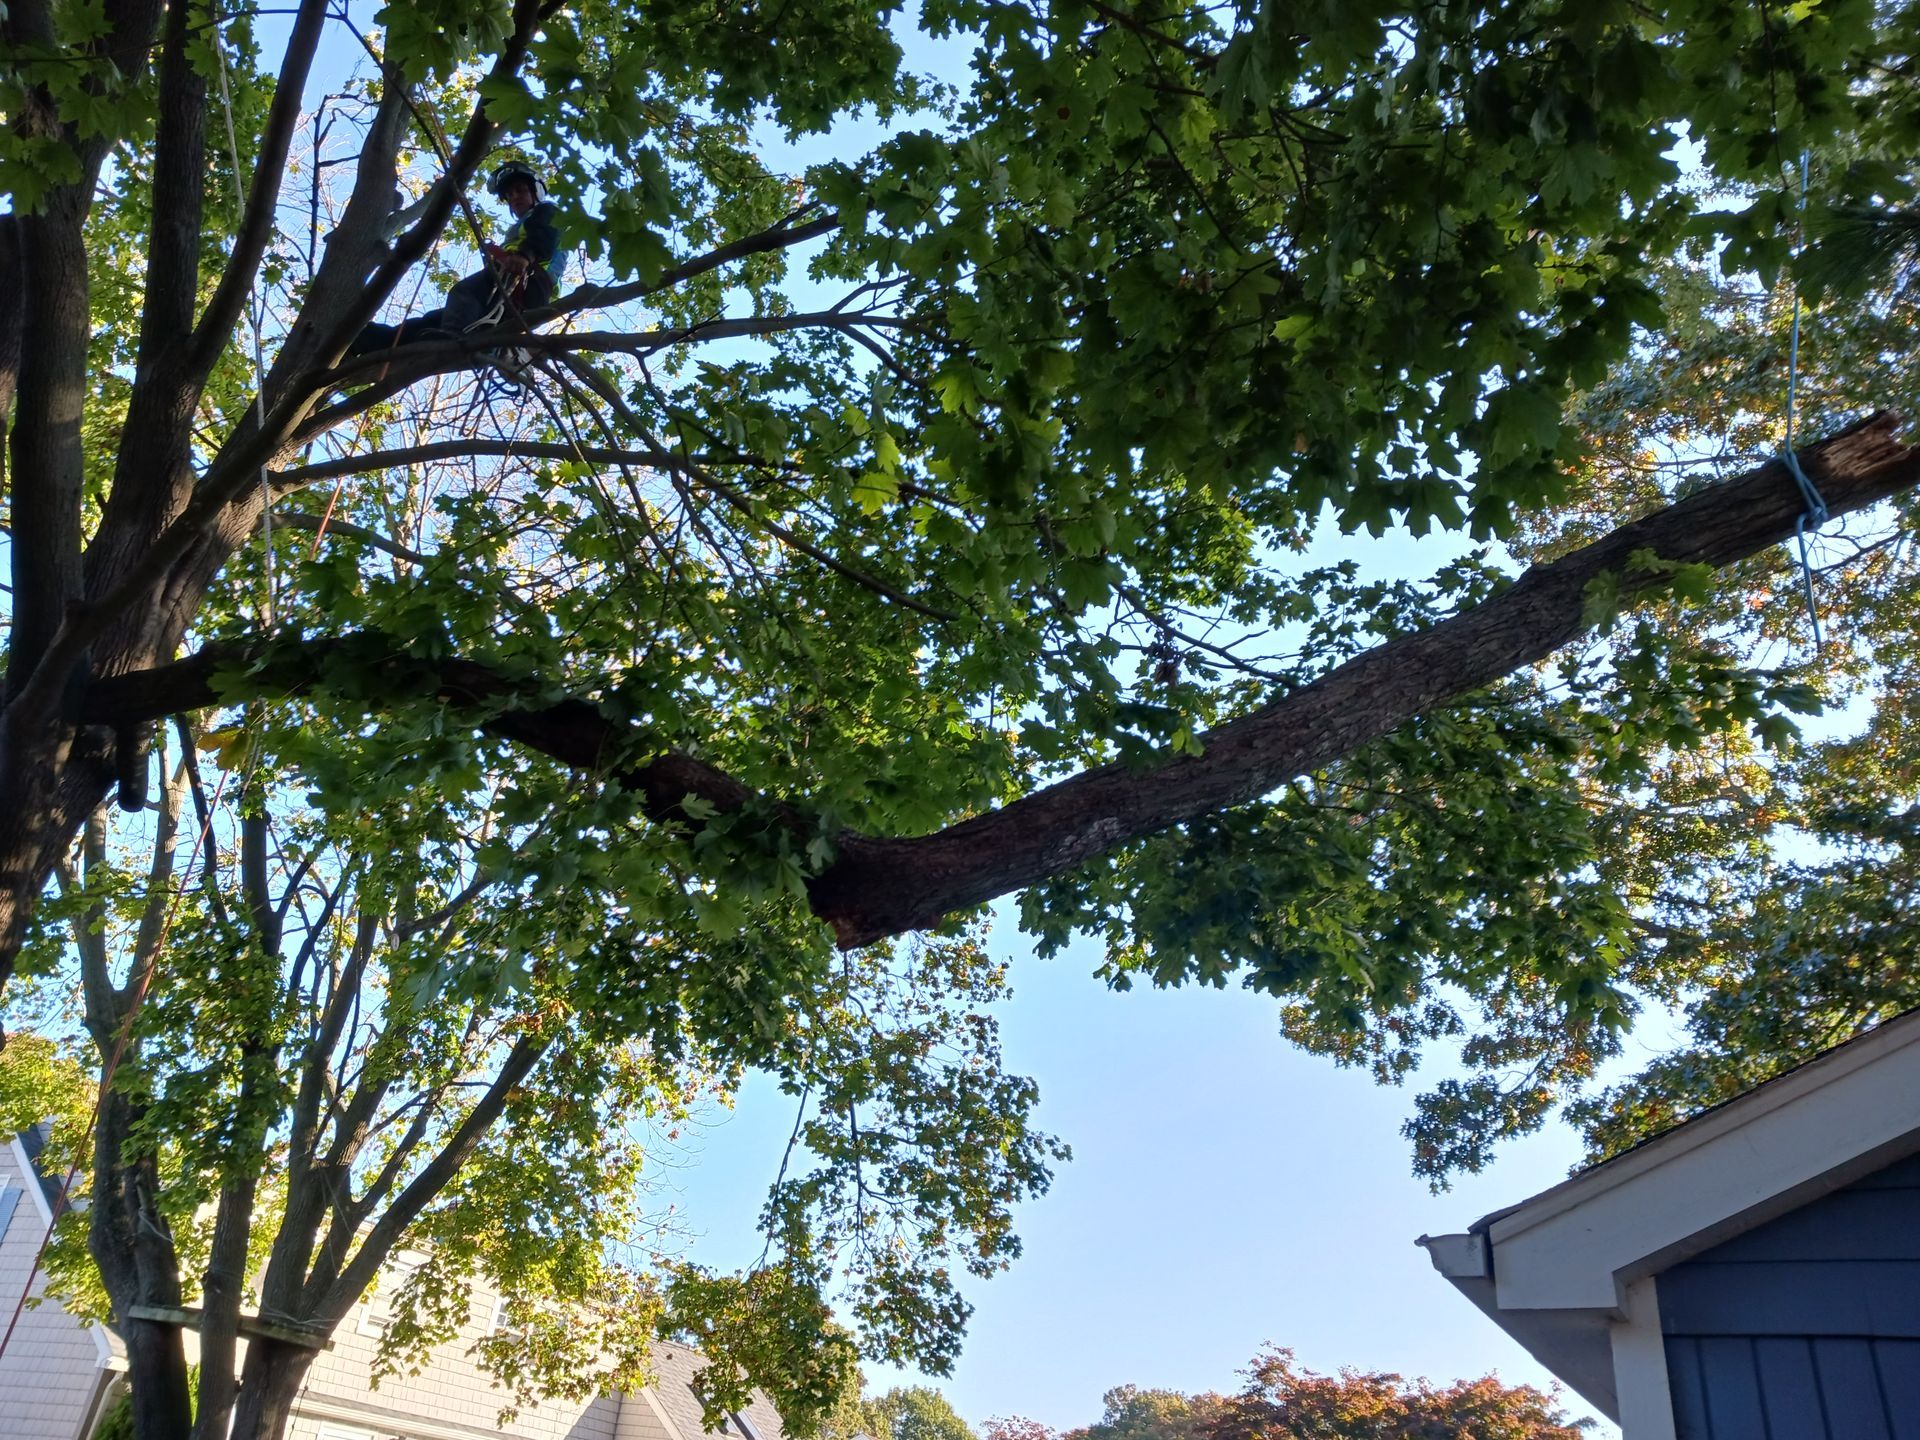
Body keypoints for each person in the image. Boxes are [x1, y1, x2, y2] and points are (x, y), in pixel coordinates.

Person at [349, 161, 563, 356]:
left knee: (464, 294)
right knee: (437, 320)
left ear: (536, 192)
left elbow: (544, 235)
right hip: (508, 285)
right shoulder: (519, 228)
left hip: (530, 284)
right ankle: (369, 341)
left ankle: (453, 340)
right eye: (509, 194)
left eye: (520, 190)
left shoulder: (547, 211)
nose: (514, 197)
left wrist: (525, 256)